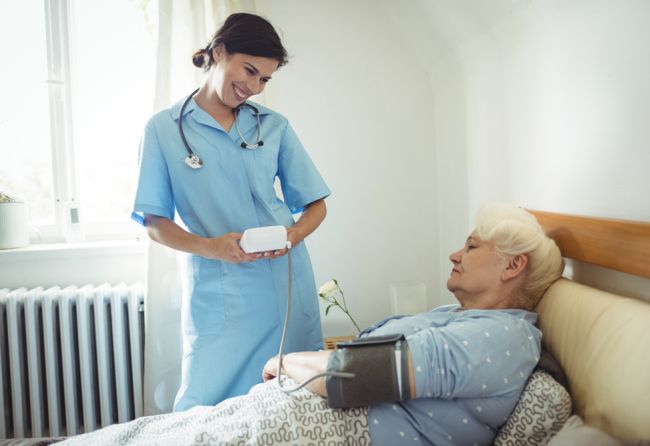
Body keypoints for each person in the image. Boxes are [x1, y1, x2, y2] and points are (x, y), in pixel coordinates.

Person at [61, 204, 563, 446]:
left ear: (512, 266)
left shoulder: (502, 337)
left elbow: (353, 377)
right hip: (295, 414)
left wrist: (284, 362)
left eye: (472, 246)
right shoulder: (461, 317)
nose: (455, 254)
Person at [131, 12, 330, 411]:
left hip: (283, 282)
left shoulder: (273, 126)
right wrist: (212, 247)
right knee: (205, 401)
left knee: (294, 399)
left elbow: (315, 205)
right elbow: (154, 223)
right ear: (219, 52)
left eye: (264, 79)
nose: (254, 87)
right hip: (217, 288)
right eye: (249, 71)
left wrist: (291, 236)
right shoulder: (163, 130)